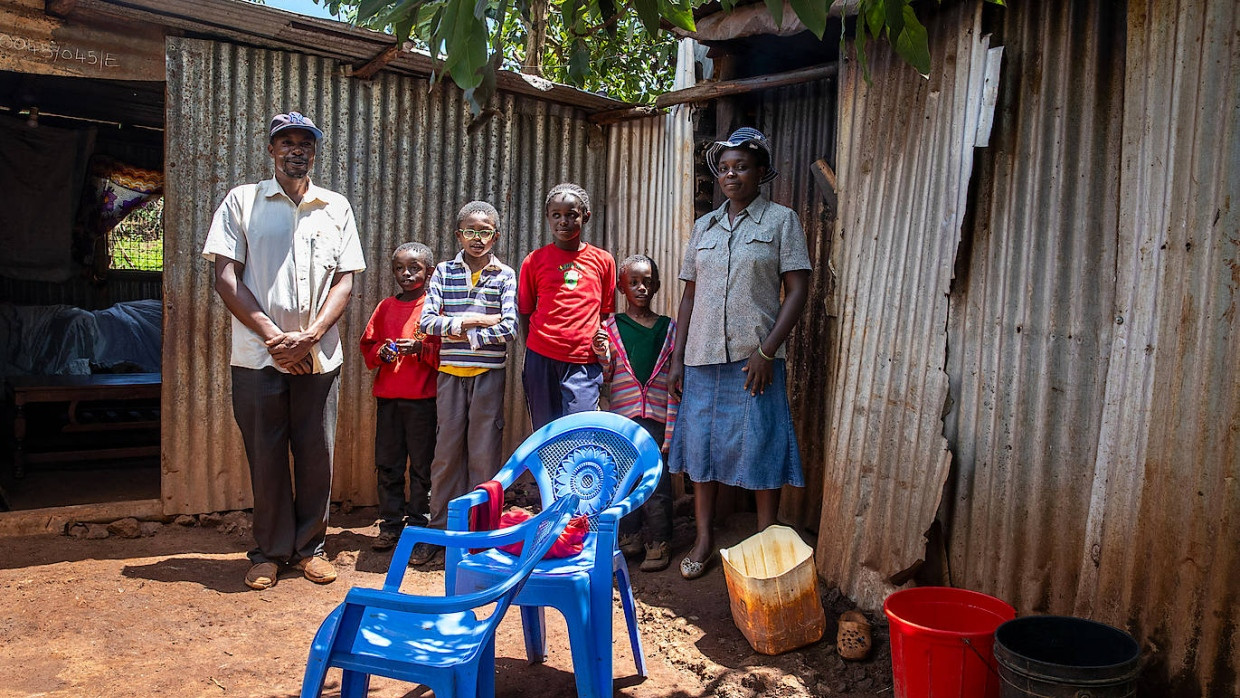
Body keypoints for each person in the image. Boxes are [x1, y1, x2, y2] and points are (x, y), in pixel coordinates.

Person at [202, 111, 366, 590]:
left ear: (315, 151)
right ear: (271, 150)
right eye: (286, 142)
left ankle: (311, 548)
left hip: (318, 356)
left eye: (305, 143)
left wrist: (311, 336)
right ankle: (270, 552)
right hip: (258, 356)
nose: (297, 150)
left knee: (316, 453)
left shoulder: (335, 207)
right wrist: (275, 338)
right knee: (267, 453)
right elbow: (225, 277)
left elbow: (346, 279)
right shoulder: (242, 201)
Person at [667, 127, 811, 581]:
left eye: (742, 167)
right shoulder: (704, 227)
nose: (731, 175)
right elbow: (689, 297)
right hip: (702, 358)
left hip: (756, 360)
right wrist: (676, 358)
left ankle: (766, 541)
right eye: (725, 168)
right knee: (701, 450)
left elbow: (798, 290)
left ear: (761, 172)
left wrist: (767, 351)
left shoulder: (781, 221)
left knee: (763, 445)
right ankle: (705, 537)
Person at [414, 201, 518, 565]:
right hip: (450, 376)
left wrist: (462, 326)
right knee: (445, 457)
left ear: (496, 236)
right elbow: (426, 323)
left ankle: (480, 537)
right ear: (459, 234)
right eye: (471, 231)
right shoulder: (443, 271)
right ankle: (441, 533)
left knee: (484, 456)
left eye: (485, 231)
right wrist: (471, 322)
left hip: (488, 375)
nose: (478, 238)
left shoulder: (505, 275)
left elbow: (509, 327)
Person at [358, 242, 442, 553]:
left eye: (415, 268)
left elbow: (446, 353)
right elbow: (369, 346)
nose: (406, 274)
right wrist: (381, 351)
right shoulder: (385, 308)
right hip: (389, 401)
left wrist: (422, 349)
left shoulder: (434, 308)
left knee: (423, 465)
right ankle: (390, 524)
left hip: (423, 402)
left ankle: (419, 523)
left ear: (429, 272)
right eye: (399, 268)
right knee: (389, 463)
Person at [601, 254, 678, 572]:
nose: (641, 287)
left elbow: (676, 380)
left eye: (647, 281)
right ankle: (629, 535)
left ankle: (659, 542)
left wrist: (673, 427)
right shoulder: (612, 327)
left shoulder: (668, 328)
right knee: (624, 479)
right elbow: (604, 374)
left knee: (657, 484)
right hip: (623, 419)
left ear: (657, 285)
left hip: (658, 417)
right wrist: (600, 354)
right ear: (621, 287)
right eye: (633, 282)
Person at [518, 183, 617, 429]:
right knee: (545, 431)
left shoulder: (603, 261)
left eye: (571, 215)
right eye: (557, 215)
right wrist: (536, 348)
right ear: (548, 218)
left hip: (583, 361)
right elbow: (525, 311)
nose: (564, 221)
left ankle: (576, 470)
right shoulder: (534, 261)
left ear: (586, 216)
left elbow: (604, 312)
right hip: (540, 359)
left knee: (578, 431)